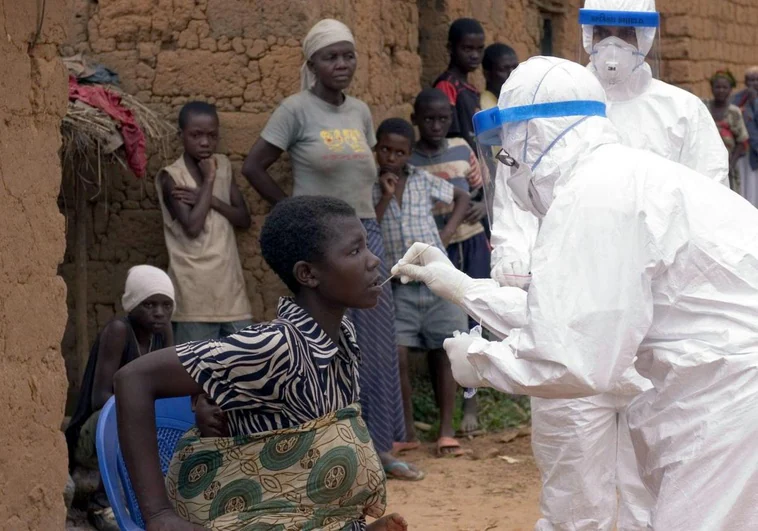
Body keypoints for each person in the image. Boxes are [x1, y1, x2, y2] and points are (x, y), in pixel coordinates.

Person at [394, 55, 758, 531]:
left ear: (534, 135)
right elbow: (571, 315)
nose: (510, 167)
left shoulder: (594, 194)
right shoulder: (616, 177)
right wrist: (464, 288)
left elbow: (578, 358)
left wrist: (482, 362)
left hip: (730, 394)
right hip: (721, 388)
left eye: (509, 152)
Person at [488, 1, 729, 529]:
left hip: (655, 326)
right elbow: (517, 191)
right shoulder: (549, 102)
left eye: (627, 31)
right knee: (572, 472)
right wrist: (512, 258)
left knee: (653, 474)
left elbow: (702, 207)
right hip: (571, 311)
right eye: (603, 31)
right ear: (586, 34)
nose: (612, 44)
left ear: (647, 38)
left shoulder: (682, 112)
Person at [114, 196, 409, 531]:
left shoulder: (343, 339)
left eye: (366, 246)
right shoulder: (275, 348)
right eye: (355, 251)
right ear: (308, 274)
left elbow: (303, 471)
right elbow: (133, 378)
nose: (373, 260)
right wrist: (157, 515)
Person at [242, 19, 416, 480]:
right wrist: (294, 215)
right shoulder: (295, 110)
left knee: (375, 344)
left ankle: (380, 449)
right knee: (323, 345)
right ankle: (330, 449)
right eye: (330, 57)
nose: (342, 64)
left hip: (365, 234)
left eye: (348, 55)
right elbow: (254, 166)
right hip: (322, 245)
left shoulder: (360, 112)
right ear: (312, 63)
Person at [373, 117, 471, 457]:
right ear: (375, 150)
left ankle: (446, 431)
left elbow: (461, 196)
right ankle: (408, 431)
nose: (391, 157)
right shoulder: (370, 188)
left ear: (409, 154)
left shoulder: (421, 179)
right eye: (385, 150)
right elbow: (371, 224)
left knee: (446, 350)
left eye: (399, 152)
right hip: (399, 285)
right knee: (397, 353)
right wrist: (385, 195)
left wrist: (445, 235)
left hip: (436, 279)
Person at [65, 265, 175, 531]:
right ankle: (101, 505)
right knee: (127, 418)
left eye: (166, 305)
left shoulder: (163, 332)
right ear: (133, 304)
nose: (159, 312)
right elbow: (100, 398)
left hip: (139, 424)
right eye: (149, 304)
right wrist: (143, 410)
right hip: (92, 436)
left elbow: (171, 388)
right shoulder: (119, 331)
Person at [408, 88, 487, 435]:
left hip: (469, 243)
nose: (436, 126)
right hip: (434, 251)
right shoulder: (409, 159)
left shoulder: (460, 148)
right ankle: (447, 401)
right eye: (429, 119)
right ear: (415, 120)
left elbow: (483, 188)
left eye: (443, 119)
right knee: (442, 325)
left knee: (473, 317)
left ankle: (471, 400)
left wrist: (482, 207)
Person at [155, 101, 253, 344]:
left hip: (232, 295)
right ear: (181, 135)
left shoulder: (223, 166)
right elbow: (192, 227)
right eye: (196, 135)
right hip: (194, 297)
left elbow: (243, 219)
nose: (205, 142)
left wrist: (210, 200)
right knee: (196, 365)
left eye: (212, 135)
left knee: (244, 362)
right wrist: (209, 180)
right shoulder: (173, 177)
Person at [705, 70, 749, 191]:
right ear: (712, 88)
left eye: (725, 87)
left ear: (730, 90)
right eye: (717, 87)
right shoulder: (704, 107)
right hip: (706, 161)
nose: (721, 90)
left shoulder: (734, 112)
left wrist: (731, 164)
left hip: (728, 163)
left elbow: (742, 141)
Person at [733, 66, 758, 206]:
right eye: (750, 80)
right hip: (742, 149)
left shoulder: (754, 98)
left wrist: (755, 102)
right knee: (744, 182)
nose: (753, 83)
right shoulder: (738, 97)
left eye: (756, 80)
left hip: (756, 148)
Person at [480, 43, 519, 111]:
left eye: (515, 68)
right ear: (487, 74)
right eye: (504, 69)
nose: (512, 74)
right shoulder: (485, 107)